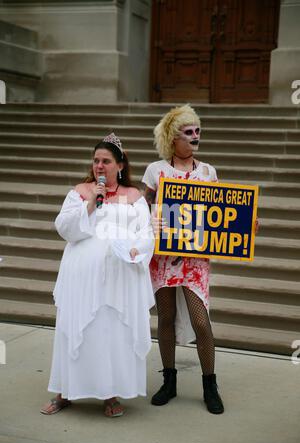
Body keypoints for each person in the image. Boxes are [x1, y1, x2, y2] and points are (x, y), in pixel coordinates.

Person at [40, 133, 155, 417]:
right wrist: (90, 202)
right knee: (76, 329)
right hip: (81, 279)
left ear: (120, 165)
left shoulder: (135, 197)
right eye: (96, 161)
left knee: (111, 334)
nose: (99, 166)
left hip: (119, 280)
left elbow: (147, 232)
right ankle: (65, 391)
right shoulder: (80, 192)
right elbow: (64, 228)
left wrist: (135, 251)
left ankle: (110, 394)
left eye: (106, 161)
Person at [142, 104, 228, 414]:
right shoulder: (156, 171)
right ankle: (169, 381)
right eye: (188, 132)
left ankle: (210, 384)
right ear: (172, 137)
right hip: (163, 258)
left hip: (195, 260)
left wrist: (245, 225)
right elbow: (143, 211)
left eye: (198, 131)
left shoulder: (208, 172)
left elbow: (223, 216)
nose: (195, 137)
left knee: (201, 322)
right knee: (164, 319)